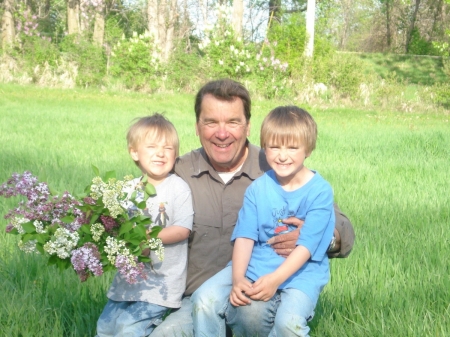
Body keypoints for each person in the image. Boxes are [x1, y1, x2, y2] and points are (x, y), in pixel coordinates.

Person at [151, 79, 355, 337]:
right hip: (200, 299)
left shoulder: (274, 165)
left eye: (233, 122)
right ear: (197, 126)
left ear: (248, 127)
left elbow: (343, 230)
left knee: (254, 313)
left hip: (263, 288)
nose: (222, 133)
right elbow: (137, 198)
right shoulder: (178, 171)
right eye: (211, 122)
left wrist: (319, 239)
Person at [193, 106, 335, 337]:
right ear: (264, 147)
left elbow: (307, 246)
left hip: (302, 273)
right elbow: (245, 236)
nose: (282, 155)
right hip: (255, 264)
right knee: (204, 298)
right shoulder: (258, 189)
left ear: (308, 149)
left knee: (289, 324)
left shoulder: (320, 191)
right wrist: (238, 278)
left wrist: (275, 280)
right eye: (274, 146)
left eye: (292, 147)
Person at [96, 114, 194, 337]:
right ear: (134, 152)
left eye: (168, 148)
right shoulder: (128, 189)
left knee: (129, 329)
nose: (160, 153)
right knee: (106, 327)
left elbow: (182, 229)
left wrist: (148, 238)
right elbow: (116, 227)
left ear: (175, 154)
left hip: (160, 284)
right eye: (151, 146)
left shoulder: (177, 188)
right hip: (127, 282)